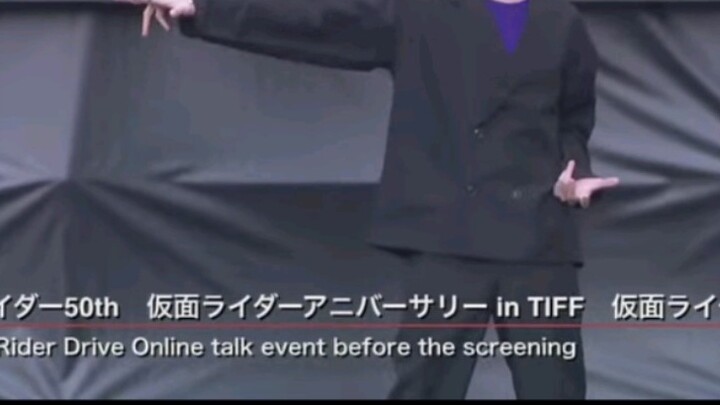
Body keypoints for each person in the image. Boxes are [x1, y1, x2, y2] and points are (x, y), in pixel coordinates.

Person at [117, 0, 620, 399]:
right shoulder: (422, 12)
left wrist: (573, 175)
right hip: (447, 241)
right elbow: (318, 22)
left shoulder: (563, 22)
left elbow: (572, 121)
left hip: (539, 242)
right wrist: (204, 7)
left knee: (556, 389)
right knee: (424, 388)